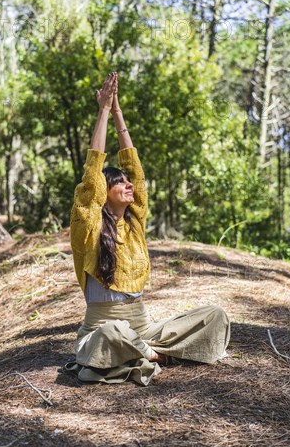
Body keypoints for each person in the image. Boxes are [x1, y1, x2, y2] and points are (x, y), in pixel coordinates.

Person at [65, 72, 230, 386]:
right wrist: (102, 111)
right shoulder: (87, 228)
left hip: (144, 327)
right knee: (112, 334)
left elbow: (136, 171)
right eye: (119, 183)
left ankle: (143, 351)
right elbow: (91, 179)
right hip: (103, 329)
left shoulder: (134, 224)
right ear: (104, 192)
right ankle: (156, 356)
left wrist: (117, 112)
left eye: (128, 183)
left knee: (215, 316)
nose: (129, 185)